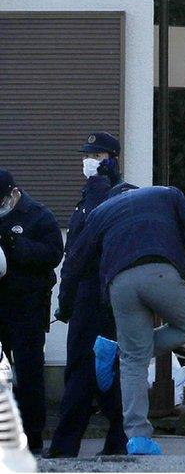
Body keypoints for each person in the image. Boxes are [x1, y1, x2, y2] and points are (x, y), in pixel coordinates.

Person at [59, 186, 185, 456]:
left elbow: (74, 261)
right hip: (160, 272)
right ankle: (123, 352)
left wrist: (65, 304)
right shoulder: (167, 195)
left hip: (119, 283)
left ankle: (138, 438)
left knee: (133, 361)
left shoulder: (100, 212)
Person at [47, 132, 134, 458]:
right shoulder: (87, 196)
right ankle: (78, 444)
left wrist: (67, 300)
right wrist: (67, 300)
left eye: (97, 157)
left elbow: (86, 252)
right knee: (89, 371)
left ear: (112, 159)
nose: (89, 162)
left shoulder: (118, 194)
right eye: (88, 156)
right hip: (87, 296)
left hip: (105, 297)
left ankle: (93, 444)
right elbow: (73, 258)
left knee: (99, 371)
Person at [0, 169, 64, 454]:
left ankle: (33, 437)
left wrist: (18, 245)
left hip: (27, 306)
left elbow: (52, 255)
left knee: (29, 373)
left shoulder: (38, 215)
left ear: (14, 193)